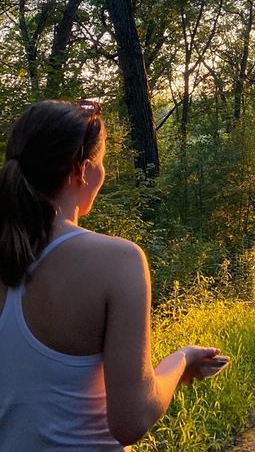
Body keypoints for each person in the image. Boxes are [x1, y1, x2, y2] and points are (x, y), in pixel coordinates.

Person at [0, 99, 222, 450]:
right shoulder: (117, 260)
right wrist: (180, 362)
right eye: (102, 164)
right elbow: (132, 420)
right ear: (82, 170)